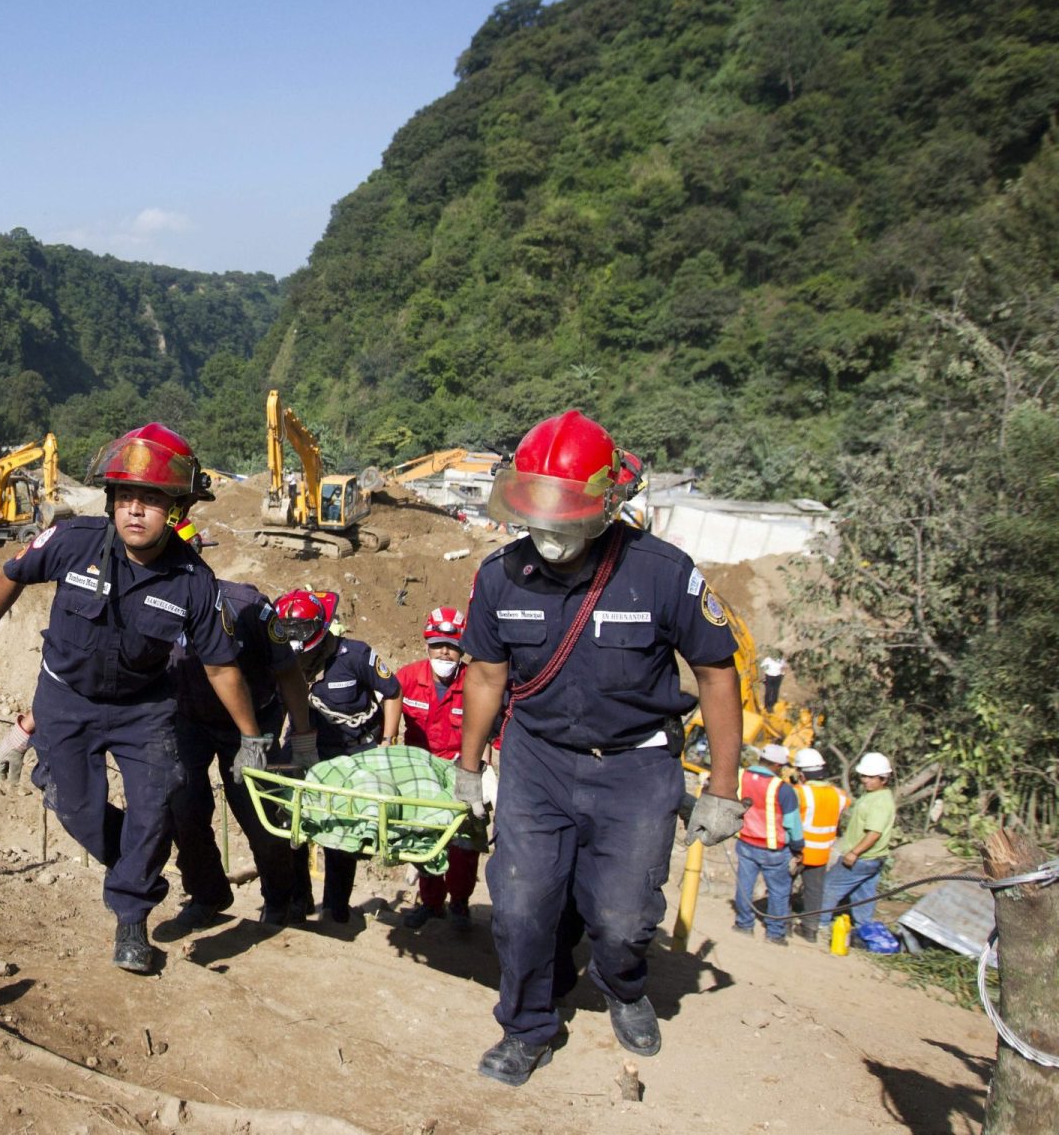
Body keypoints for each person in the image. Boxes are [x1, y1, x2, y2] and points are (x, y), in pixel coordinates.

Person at [453, 410, 745, 1087]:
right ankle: (526, 1025)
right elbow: (488, 675)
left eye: (568, 514)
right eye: (539, 513)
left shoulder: (662, 573)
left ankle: (623, 984)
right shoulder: (501, 577)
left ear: (607, 502)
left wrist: (726, 788)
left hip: (637, 766)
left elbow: (716, 672)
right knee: (522, 902)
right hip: (537, 758)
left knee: (622, 913)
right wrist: (468, 767)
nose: (551, 532)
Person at [0, 423, 263, 974]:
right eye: (126, 498)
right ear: (111, 502)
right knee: (79, 810)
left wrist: (251, 737)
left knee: (157, 804)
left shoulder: (194, 581)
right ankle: (133, 862)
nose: (136, 511)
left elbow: (220, 665)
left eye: (152, 500)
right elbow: (12, 574)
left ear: (178, 509)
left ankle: (131, 920)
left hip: (144, 709)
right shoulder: (72, 541)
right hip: (65, 699)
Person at [164, 581, 319, 931]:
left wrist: (304, 738)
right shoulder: (153, 600)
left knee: (261, 813)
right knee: (182, 805)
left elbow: (289, 673)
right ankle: (208, 894)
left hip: (253, 719)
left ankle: (283, 898)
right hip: (189, 716)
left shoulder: (248, 607)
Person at [276, 587, 401, 927]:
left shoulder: (356, 655)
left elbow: (392, 692)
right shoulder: (283, 657)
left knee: (341, 829)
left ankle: (336, 906)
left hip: (353, 750)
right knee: (290, 824)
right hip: (306, 746)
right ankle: (298, 900)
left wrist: (387, 742)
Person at [391, 606, 480, 932]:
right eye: (438, 644)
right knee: (423, 839)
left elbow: (492, 727)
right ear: (427, 644)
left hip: (461, 770)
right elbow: (387, 709)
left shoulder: (476, 682)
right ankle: (431, 902)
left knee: (462, 844)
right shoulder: (408, 677)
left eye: (452, 645)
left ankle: (459, 902)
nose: (445, 651)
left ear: (462, 649)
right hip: (419, 774)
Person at [732, 742, 803, 945]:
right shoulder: (782, 789)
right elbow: (792, 823)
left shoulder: (740, 776)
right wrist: (798, 847)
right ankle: (775, 933)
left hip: (745, 841)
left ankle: (744, 924)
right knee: (779, 892)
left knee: (745, 886)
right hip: (773, 849)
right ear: (777, 766)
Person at [822, 752, 896, 940]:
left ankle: (819, 923)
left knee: (829, 886)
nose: (865, 780)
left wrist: (854, 852)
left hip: (863, 858)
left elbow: (874, 833)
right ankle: (865, 929)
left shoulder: (880, 802)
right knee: (863, 895)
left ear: (883, 779)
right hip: (873, 858)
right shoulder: (873, 795)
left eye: (871, 777)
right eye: (864, 776)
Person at [790, 747, 850, 942]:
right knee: (814, 891)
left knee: (784, 887)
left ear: (801, 773)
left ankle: (782, 925)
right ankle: (810, 930)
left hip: (797, 850)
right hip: (822, 852)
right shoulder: (840, 795)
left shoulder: (800, 792)